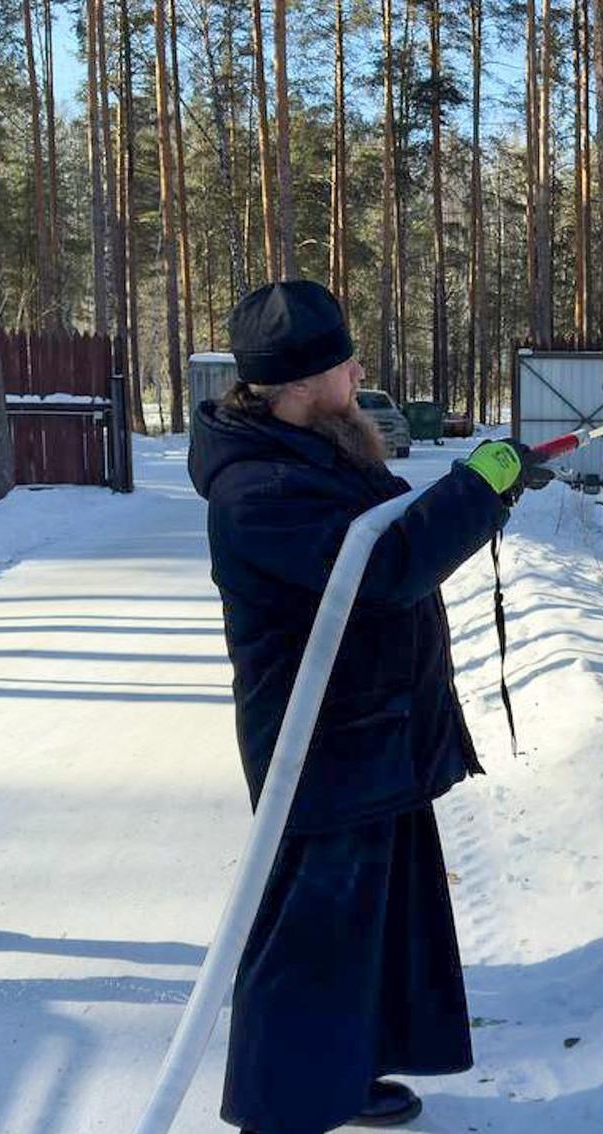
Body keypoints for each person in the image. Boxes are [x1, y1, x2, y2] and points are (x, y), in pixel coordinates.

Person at [188, 280, 551, 1133]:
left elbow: (392, 530)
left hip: (374, 732)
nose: (359, 370)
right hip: (321, 749)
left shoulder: (318, 450)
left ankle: (340, 1076)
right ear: (299, 379)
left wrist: (487, 488)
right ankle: (281, 1109)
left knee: (374, 926)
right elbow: (384, 570)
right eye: (343, 360)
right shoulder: (260, 490)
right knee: (311, 940)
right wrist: (475, 491)